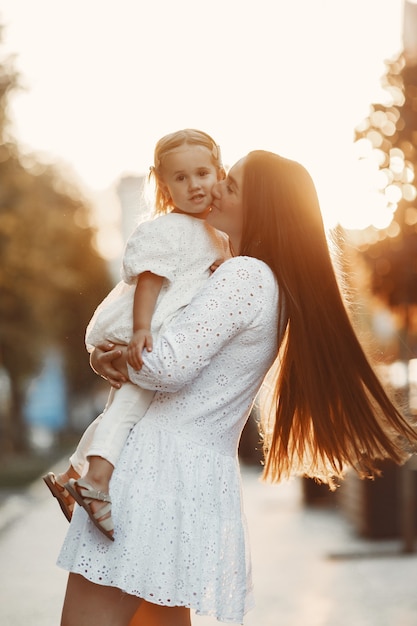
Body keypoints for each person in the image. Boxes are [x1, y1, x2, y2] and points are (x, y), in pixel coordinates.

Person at [57, 149, 417, 626]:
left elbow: (164, 365)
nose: (218, 186)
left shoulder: (245, 276)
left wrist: (110, 354)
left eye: (234, 184)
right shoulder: (258, 281)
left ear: (262, 207)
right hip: (185, 479)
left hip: (155, 474)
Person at [43, 129, 230, 540]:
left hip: (163, 330)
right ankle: (96, 482)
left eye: (202, 173)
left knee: (119, 408)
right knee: (131, 403)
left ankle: (71, 476)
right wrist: (142, 329)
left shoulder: (219, 234)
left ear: (219, 171)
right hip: (148, 329)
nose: (194, 185)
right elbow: (149, 281)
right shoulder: (168, 229)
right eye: (180, 178)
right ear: (164, 184)